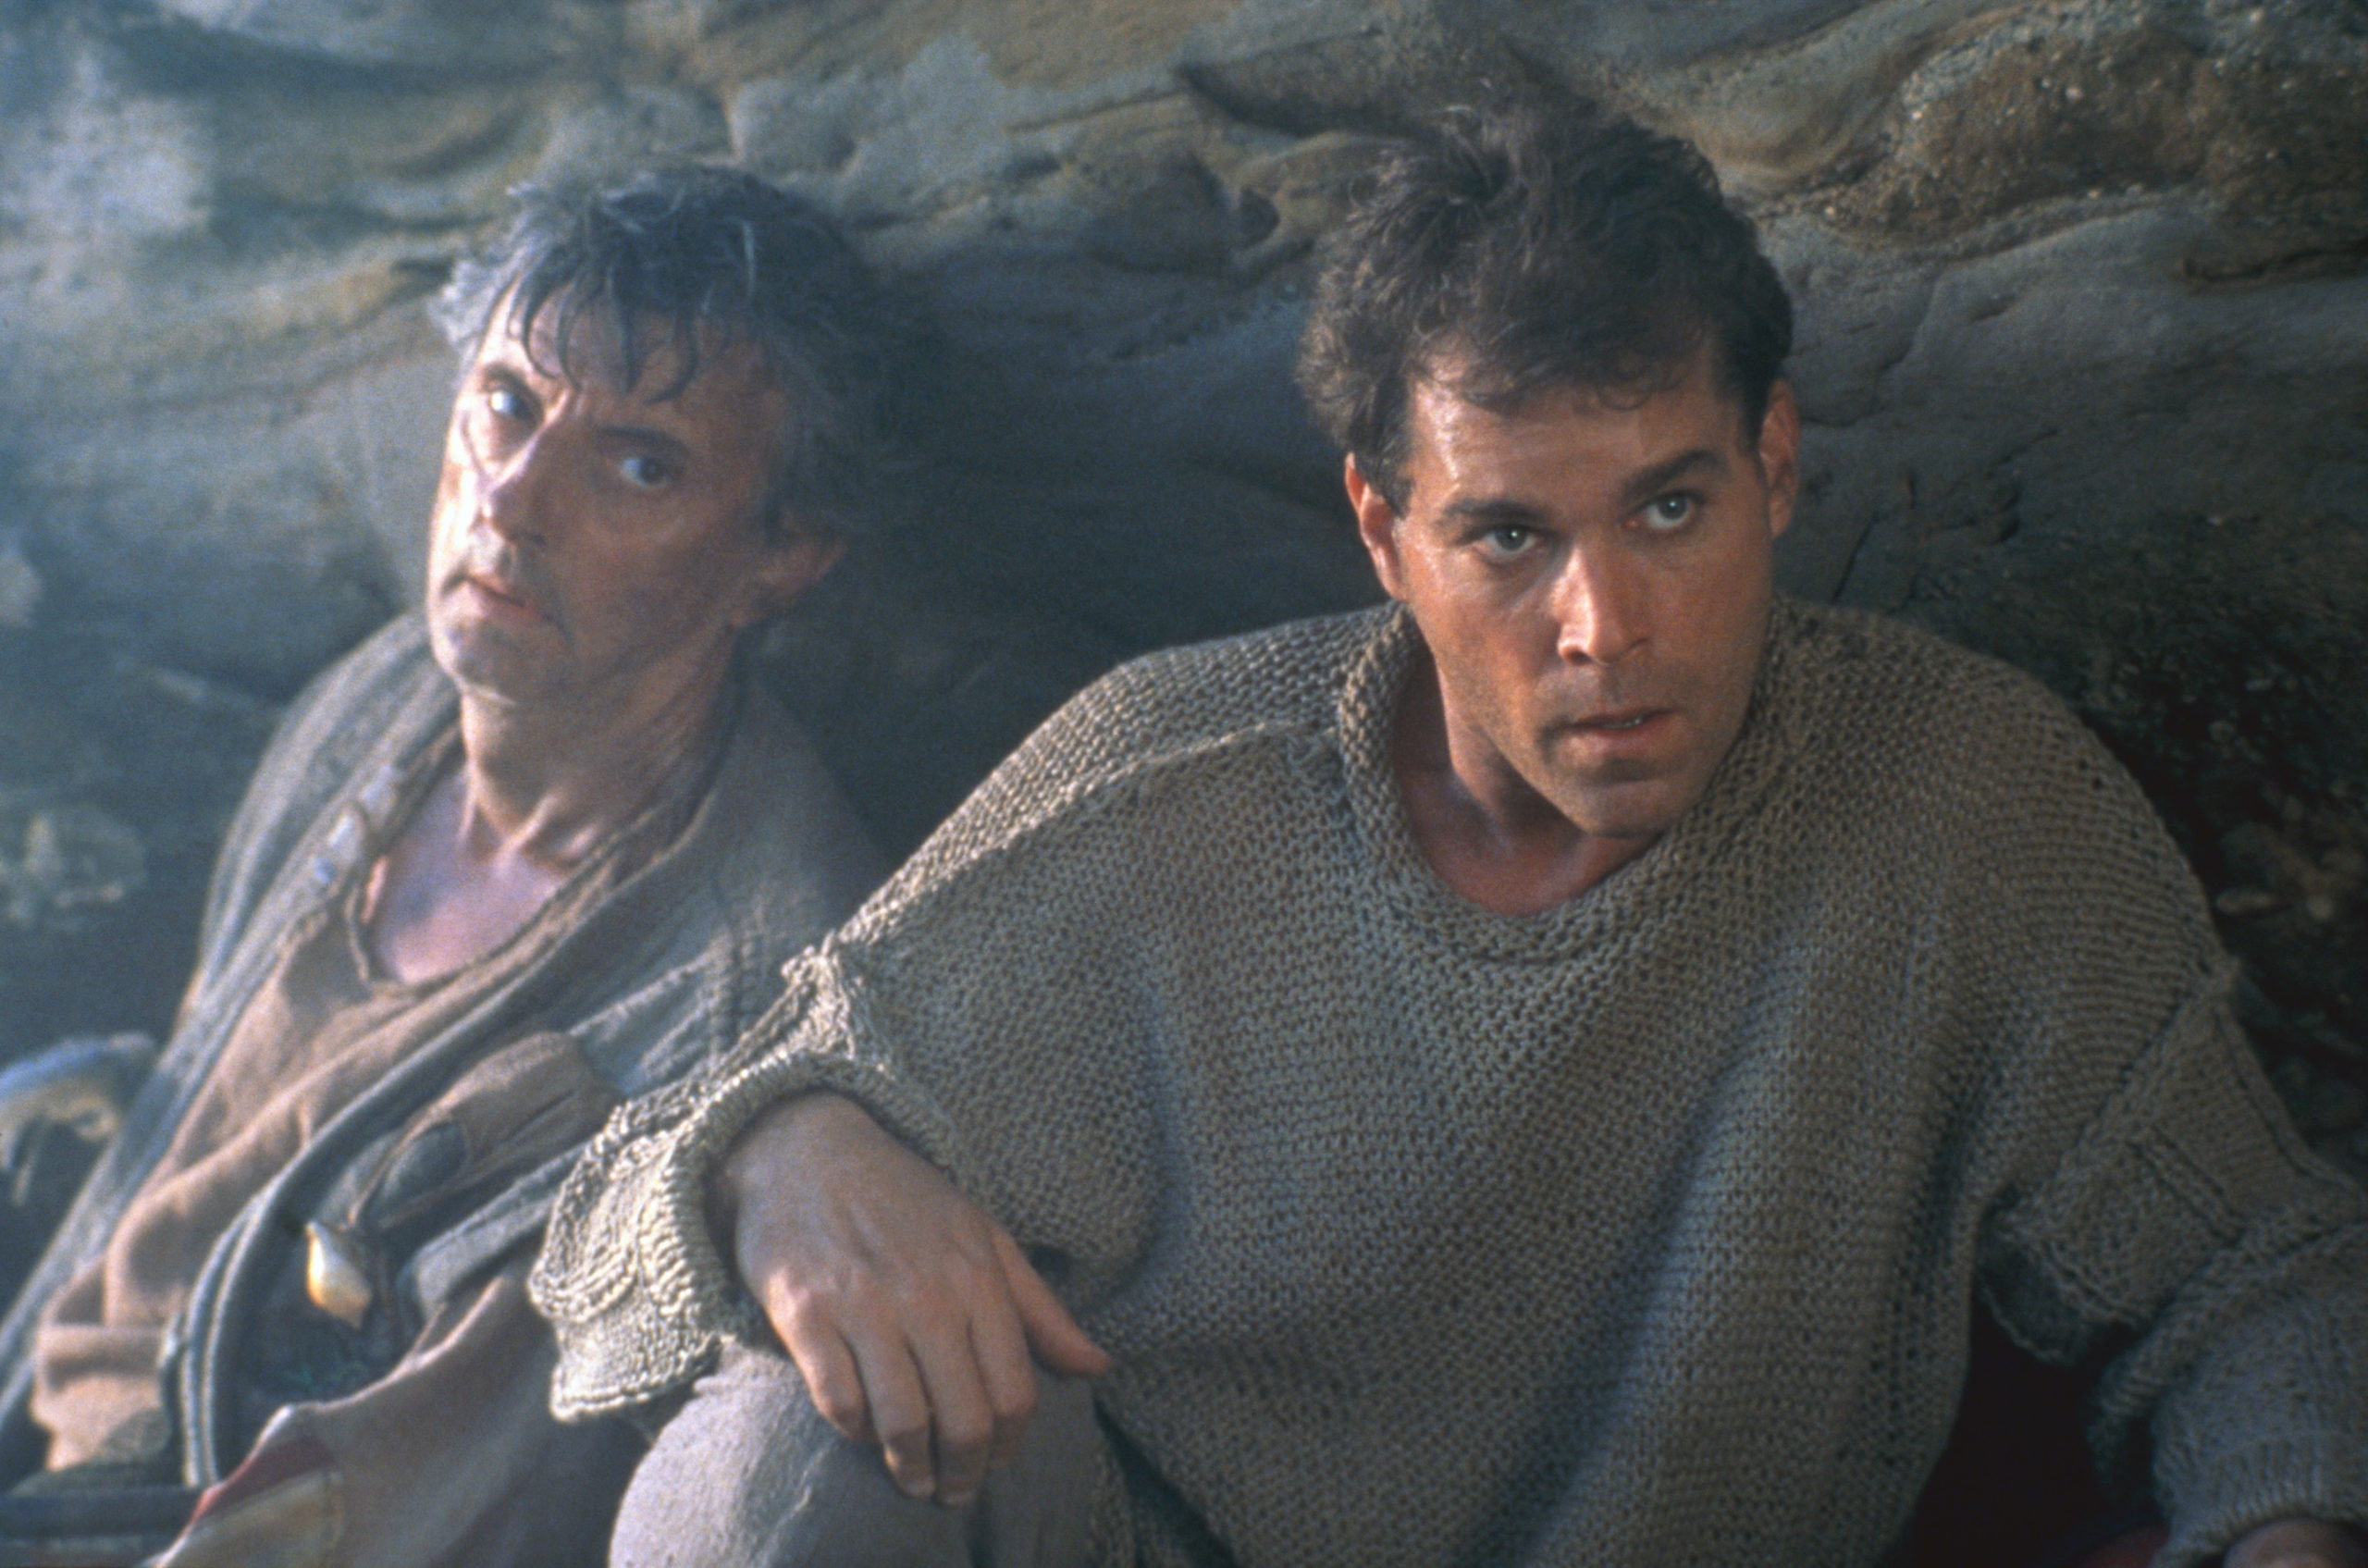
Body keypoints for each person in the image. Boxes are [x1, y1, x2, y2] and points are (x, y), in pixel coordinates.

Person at [533, 104, 2368, 1568]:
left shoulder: (1964, 807)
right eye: (1507, 536)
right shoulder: (1166, 795)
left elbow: (2255, 1275)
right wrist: (773, 1156)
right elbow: (602, 1248)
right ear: (1382, 530)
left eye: (1669, 507)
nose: (1603, 625)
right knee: (781, 1450)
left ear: (1776, 461)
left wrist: (2289, 1530)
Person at [0, 164, 895, 1565]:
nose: (514, 503)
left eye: (640, 465)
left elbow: (416, 1505)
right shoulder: (383, 704)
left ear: (782, 557)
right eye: (507, 405)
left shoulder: (736, 982)